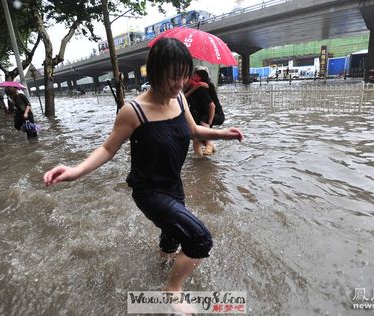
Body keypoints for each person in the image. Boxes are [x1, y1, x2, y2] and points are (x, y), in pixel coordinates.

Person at [44, 38, 243, 294]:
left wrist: (224, 133)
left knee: (172, 239)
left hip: (174, 186)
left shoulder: (180, 100)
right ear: (155, 71)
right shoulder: (133, 111)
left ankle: (160, 264)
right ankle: (172, 289)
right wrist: (75, 171)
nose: (179, 84)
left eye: (184, 76)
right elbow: (107, 149)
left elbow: (193, 130)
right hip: (149, 193)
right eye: (173, 77)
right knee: (200, 240)